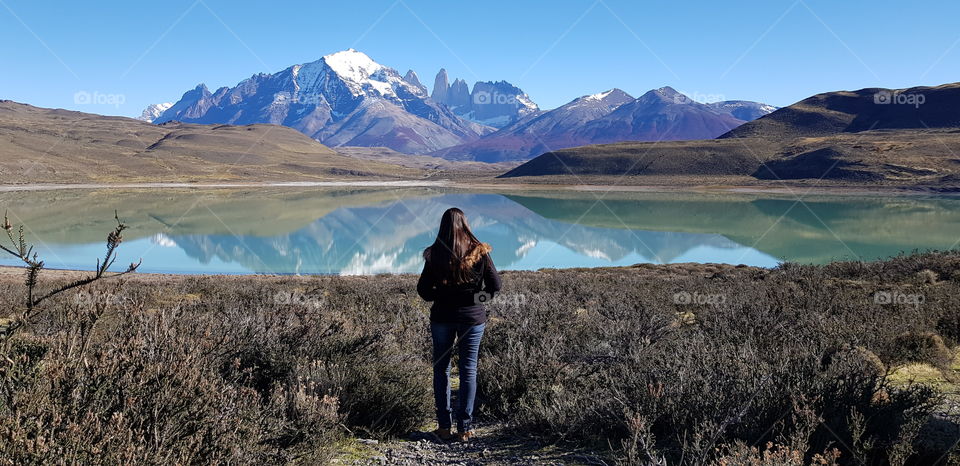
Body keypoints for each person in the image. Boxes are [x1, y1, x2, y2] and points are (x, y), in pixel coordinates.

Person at [417, 207, 501, 443]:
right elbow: (495, 286)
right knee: (468, 369)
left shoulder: (435, 254)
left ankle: (444, 427)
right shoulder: (479, 251)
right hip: (472, 319)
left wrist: (443, 297)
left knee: (441, 369)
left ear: (443, 226)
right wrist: (474, 300)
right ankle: (465, 428)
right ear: (465, 224)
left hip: (442, 317)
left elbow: (423, 291)